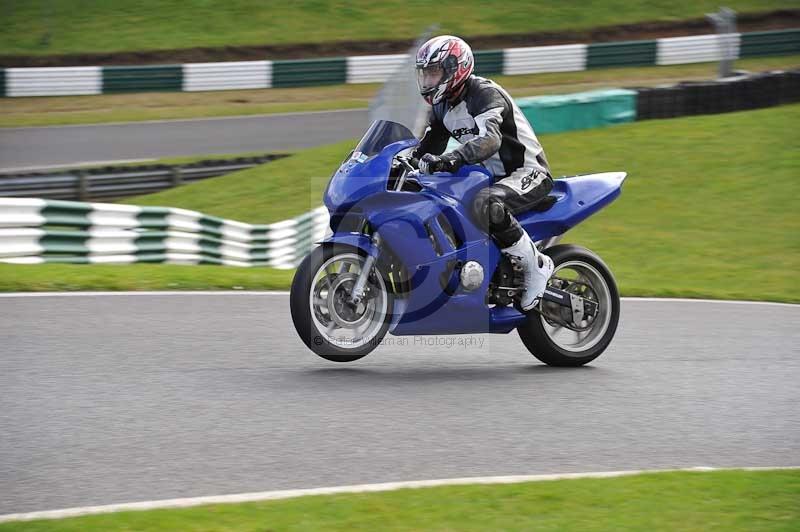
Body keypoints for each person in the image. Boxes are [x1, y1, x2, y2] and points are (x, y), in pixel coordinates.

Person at [412, 35, 555, 311]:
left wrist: (453, 158)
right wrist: (398, 162)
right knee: (438, 203)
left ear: (456, 69)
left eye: (434, 72)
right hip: (489, 178)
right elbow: (425, 146)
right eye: (425, 74)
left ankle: (536, 265)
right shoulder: (441, 107)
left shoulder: (484, 94)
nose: (428, 80)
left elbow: (491, 140)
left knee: (486, 204)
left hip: (527, 172)